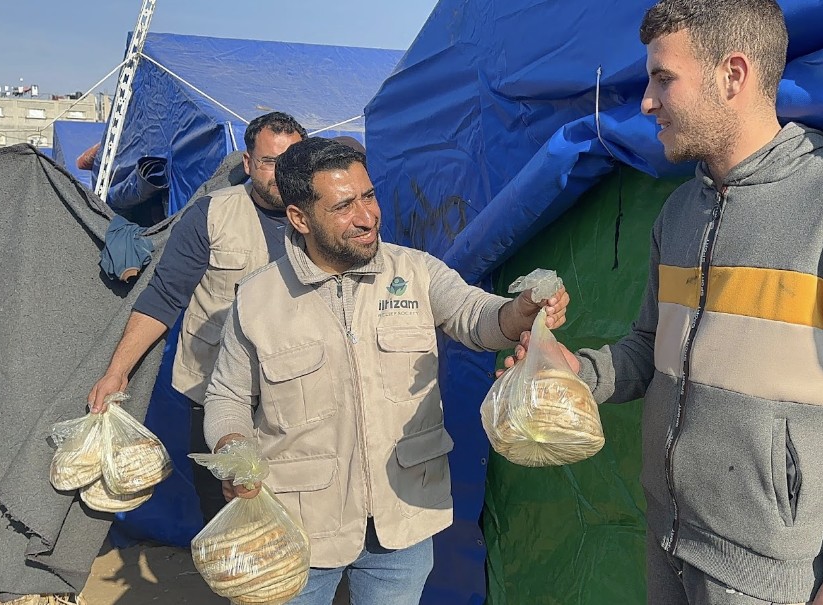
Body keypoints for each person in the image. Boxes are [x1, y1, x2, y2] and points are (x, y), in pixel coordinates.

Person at [506, 1, 823, 603]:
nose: (646, 102)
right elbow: (647, 347)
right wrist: (575, 372)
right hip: (669, 548)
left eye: (664, 78)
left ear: (731, 75)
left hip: (780, 578)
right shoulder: (680, 213)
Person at [202, 137, 570, 605]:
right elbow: (227, 397)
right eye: (343, 206)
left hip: (405, 515)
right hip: (297, 524)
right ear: (300, 218)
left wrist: (521, 310)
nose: (367, 216)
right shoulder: (257, 298)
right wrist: (233, 448)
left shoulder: (415, 272)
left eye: (369, 196)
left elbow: (476, 317)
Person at [87, 111, 308, 523]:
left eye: (292, 162)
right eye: (268, 162)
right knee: (229, 523)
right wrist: (117, 371)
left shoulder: (324, 217)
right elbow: (164, 298)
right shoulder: (211, 215)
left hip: (300, 401)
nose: (281, 174)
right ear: (247, 163)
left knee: (297, 523)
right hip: (218, 397)